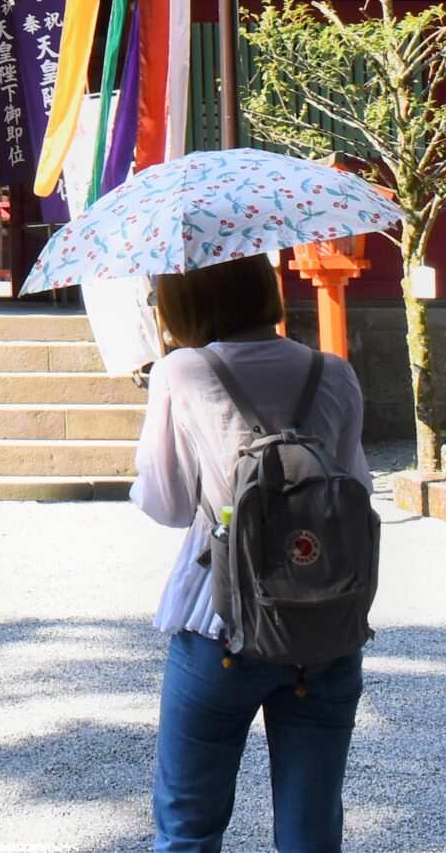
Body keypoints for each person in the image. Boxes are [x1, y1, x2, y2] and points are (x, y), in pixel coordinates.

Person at [132, 255, 369, 853]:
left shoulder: (183, 371)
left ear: (185, 299)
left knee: (189, 827)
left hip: (222, 624)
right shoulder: (333, 372)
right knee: (312, 834)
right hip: (325, 621)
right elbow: (356, 492)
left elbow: (165, 505)